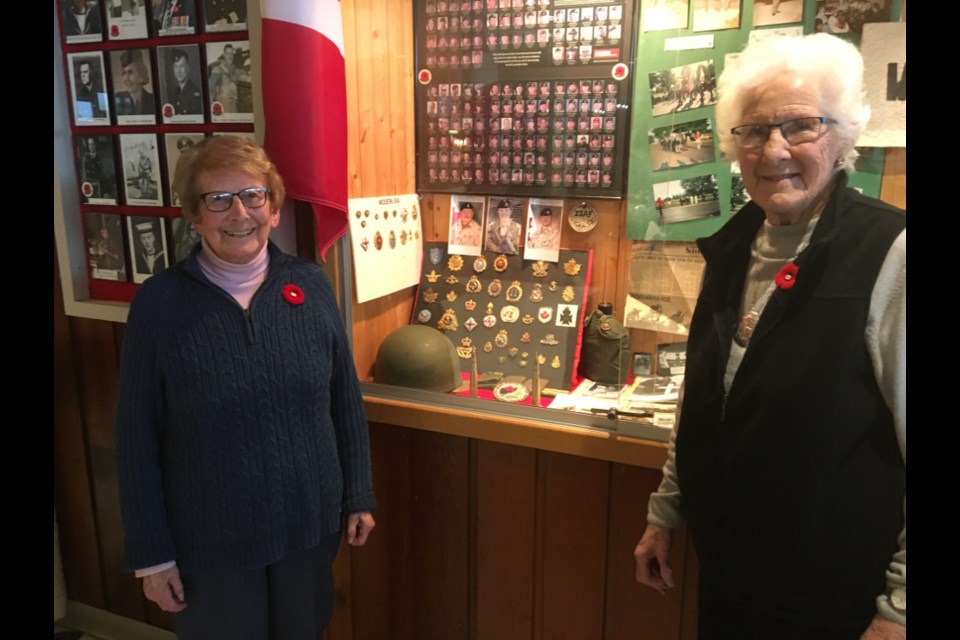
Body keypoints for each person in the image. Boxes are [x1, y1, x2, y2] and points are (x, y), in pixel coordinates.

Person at [632, 34, 905, 640]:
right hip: (731, 578)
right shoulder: (734, 247)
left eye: (801, 126)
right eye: (753, 131)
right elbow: (700, 404)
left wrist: (899, 610)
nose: (773, 149)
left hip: (838, 599)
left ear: (842, 138)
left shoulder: (891, 252)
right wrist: (665, 513)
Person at [116, 136, 376, 639]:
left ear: (274, 209)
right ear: (195, 215)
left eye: (253, 196)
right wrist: (151, 555)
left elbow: (344, 398)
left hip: (308, 528)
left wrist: (358, 492)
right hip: (211, 546)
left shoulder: (311, 285)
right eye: (218, 199)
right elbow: (135, 438)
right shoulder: (159, 305)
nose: (239, 213)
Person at [114, 49, 156, 116]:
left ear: (141, 75)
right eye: (124, 73)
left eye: (130, 72)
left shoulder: (152, 100)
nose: (126, 78)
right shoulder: (118, 98)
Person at [167, 48, 203, 116]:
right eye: (176, 66)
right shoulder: (175, 92)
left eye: (181, 66)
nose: (178, 71)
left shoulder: (194, 92)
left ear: (188, 68)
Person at [209, 44, 240, 112]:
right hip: (223, 107)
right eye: (228, 53)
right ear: (224, 54)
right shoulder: (217, 70)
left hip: (234, 106)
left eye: (232, 53)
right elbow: (210, 90)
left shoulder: (234, 71)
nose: (230, 56)